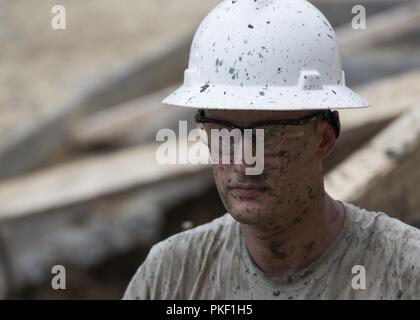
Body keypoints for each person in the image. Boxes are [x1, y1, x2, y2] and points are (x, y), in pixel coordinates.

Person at [124, 0, 420, 299]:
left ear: (324, 138)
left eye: (269, 135)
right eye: (223, 132)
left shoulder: (404, 272)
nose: (243, 162)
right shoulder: (171, 278)